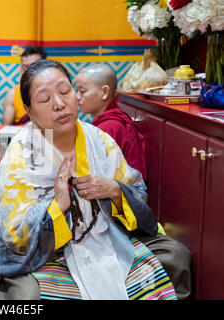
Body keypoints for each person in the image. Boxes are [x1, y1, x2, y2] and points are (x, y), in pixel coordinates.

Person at [0, 59, 177, 300]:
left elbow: (137, 192)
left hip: (107, 238)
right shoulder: (21, 156)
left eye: (65, 91)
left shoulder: (99, 140)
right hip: (50, 254)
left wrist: (115, 191)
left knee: (176, 257)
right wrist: (57, 207)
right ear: (30, 111)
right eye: (45, 99)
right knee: (27, 296)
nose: (59, 104)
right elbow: (15, 235)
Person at [75, 63, 192, 300]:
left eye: (82, 90)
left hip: (123, 211)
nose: (77, 98)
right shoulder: (109, 123)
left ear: (105, 92)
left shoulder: (107, 129)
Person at [2, 46, 47, 126]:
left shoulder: (53, 92)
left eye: (33, 66)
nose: (28, 72)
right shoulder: (12, 95)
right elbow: (5, 132)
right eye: (25, 67)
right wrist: (26, 128)